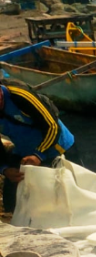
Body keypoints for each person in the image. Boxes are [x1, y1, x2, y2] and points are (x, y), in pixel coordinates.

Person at [0, 82, 77, 213]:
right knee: (11, 198)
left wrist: (38, 155)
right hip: (24, 150)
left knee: (62, 197)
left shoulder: (21, 96)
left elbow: (52, 126)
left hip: (55, 147)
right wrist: (4, 168)